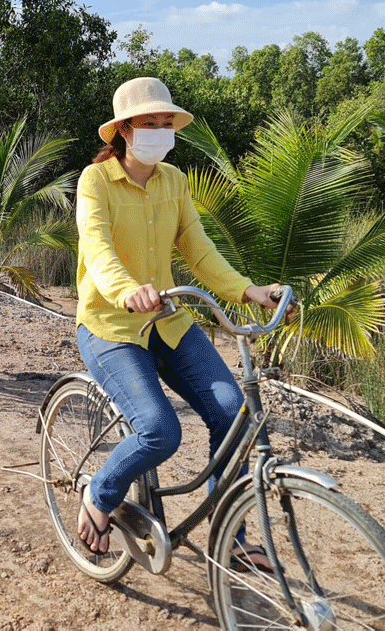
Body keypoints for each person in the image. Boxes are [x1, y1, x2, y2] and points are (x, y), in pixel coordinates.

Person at [74, 77, 280, 569]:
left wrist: (250, 291)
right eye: (150, 124)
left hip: (167, 321)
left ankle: (230, 535)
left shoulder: (174, 181)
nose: (161, 133)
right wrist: (127, 290)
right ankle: (100, 495)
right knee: (160, 431)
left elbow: (200, 250)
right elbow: (98, 249)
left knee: (235, 415)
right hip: (112, 328)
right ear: (124, 130)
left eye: (167, 124)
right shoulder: (95, 181)